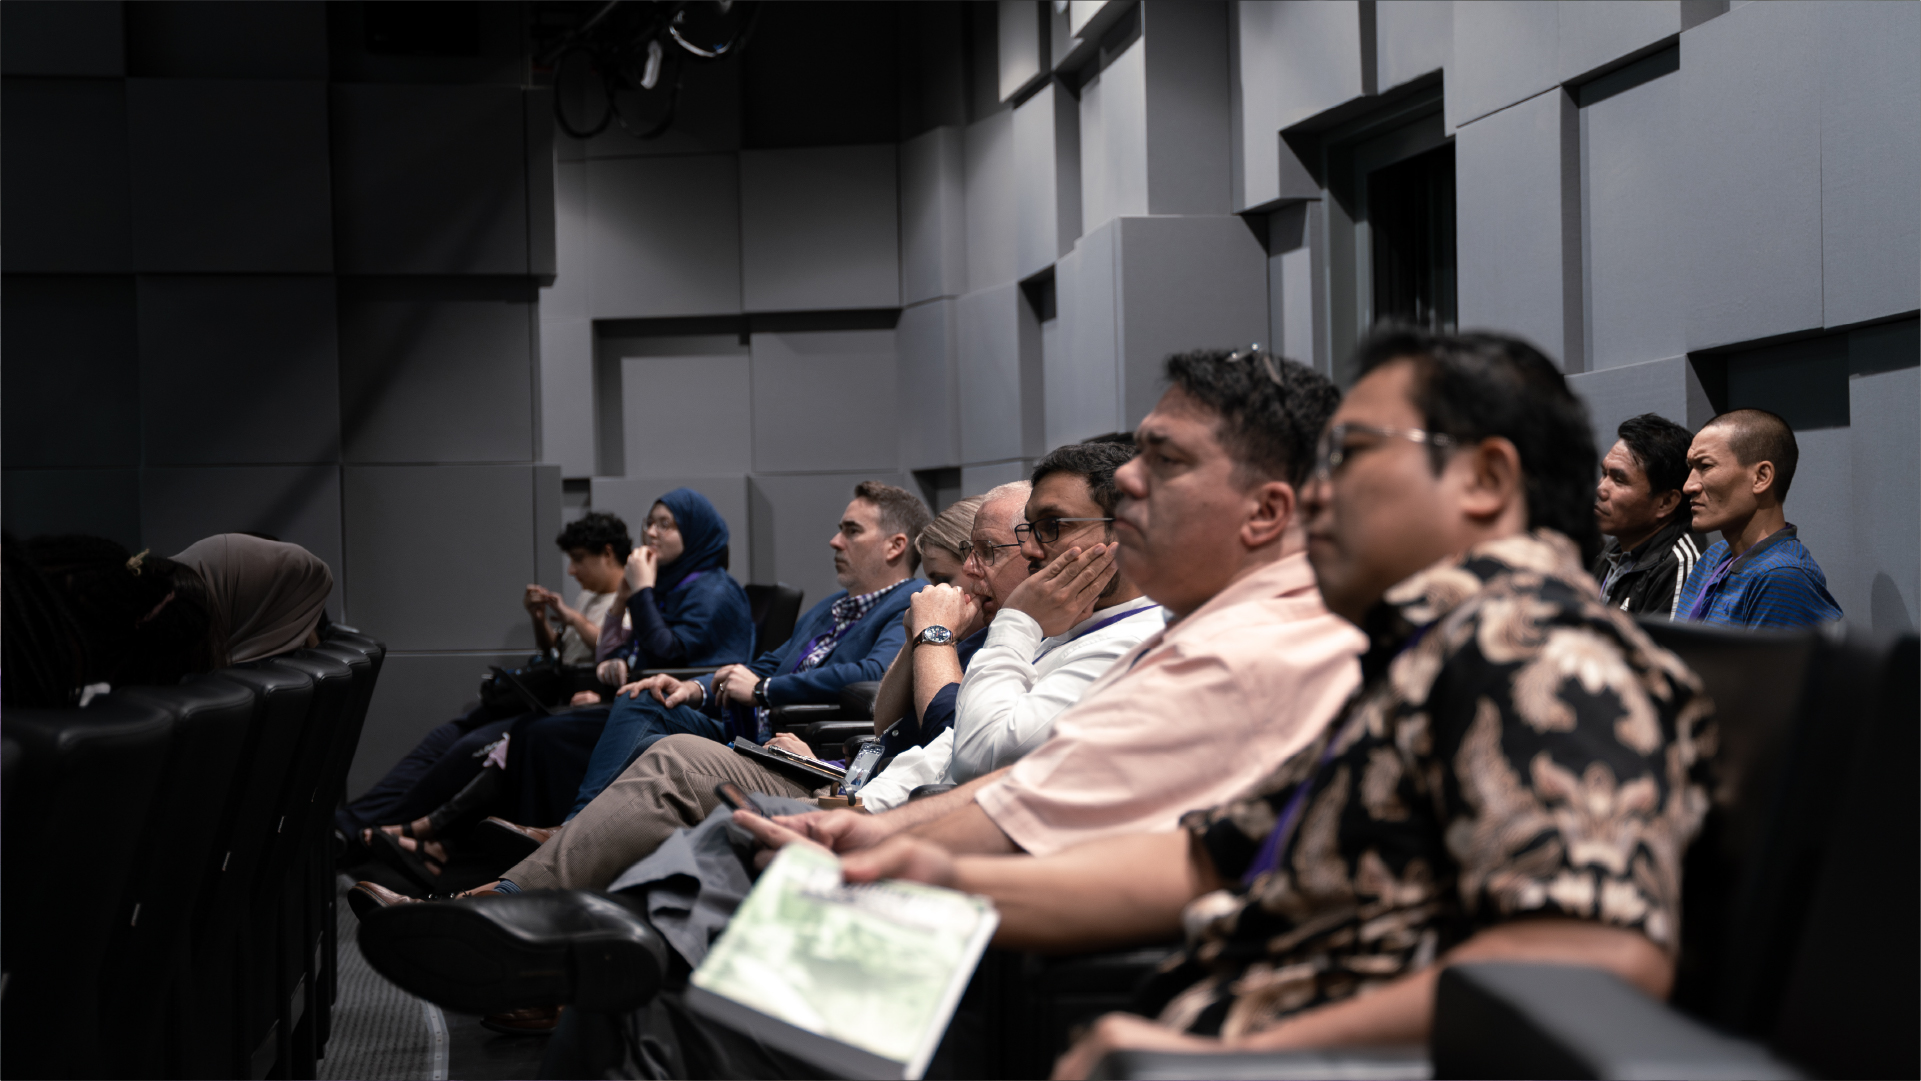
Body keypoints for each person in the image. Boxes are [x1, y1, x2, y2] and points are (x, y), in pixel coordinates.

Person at [742, 327, 1713, 1078]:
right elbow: (1203, 858)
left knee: (733, 1007)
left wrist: (1215, 1058)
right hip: (1150, 1022)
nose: (1316, 492)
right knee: (746, 969)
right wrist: (921, 877)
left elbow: (1585, 965)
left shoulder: (1546, 650)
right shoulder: (1423, 658)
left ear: (1485, 480)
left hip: (1211, 1051)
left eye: (1355, 454)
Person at [353, 349, 1368, 1043]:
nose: (1129, 488)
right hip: (981, 899)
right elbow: (1029, 789)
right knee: (712, 876)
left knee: (684, 971)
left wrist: (892, 857)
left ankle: (575, 952)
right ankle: (561, 942)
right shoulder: (1209, 627)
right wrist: (885, 834)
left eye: (1164, 461)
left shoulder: (1242, 649)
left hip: (1019, 963)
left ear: (1267, 511)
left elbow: (1017, 787)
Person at [558, 481, 930, 818]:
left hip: (792, 744)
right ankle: (575, 828)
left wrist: (761, 690)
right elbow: (772, 661)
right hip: (748, 726)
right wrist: (695, 688)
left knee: (651, 746)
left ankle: (574, 835)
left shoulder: (906, 605)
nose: (835, 541)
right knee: (643, 699)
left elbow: (873, 675)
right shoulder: (834, 605)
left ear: (895, 546)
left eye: (852, 531)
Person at [1673, 408, 1843, 628]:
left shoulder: (1781, 577)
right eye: (1691, 468)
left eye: (1705, 466)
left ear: (1761, 477)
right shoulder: (1713, 557)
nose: (1688, 486)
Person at [1592, 414, 1708, 617]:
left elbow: (1662, 649)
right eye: (1604, 474)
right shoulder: (1614, 549)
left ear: (1666, 502)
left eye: (1619, 480)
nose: (1601, 489)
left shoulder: (1680, 564)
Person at [521, 511, 631, 674]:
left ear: (607, 553)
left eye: (578, 559)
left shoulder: (631, 600)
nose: (571, 570)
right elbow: (562, 649)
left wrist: (576, 619)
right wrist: (539, 618)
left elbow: (612, 649)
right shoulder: (588, 595)